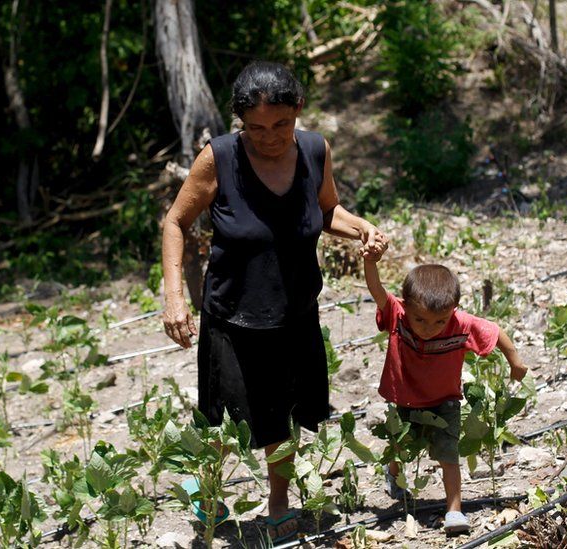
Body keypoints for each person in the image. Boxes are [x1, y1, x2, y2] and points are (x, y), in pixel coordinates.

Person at [161, 60, 387, 542]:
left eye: (281, 123)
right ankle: (207, 492)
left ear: (298, 111)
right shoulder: (218, 158)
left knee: (283, 413)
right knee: (224, 416)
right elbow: (175, 222)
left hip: (295, 311)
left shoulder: (313, 150)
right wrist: (175, 298)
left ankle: (279, 502)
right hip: (232, 313)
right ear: (240, 122)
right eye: (256, 127)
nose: (269, 136)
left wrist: (362, 230)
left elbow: (327, 211)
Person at [362, 255, 527, 535]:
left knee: (449, 456)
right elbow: (376, 288)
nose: (429, 328)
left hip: (444, 402)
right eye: (420, 320)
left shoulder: (460, 323)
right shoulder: (396, 314)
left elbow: (496, 331)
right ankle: (392, 475)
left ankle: (454, 510)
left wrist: (515, 361)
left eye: (439, 321)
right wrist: (370, 261)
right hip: (405, 400)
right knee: (401, 447)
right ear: (405, 306)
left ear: (454, 310)